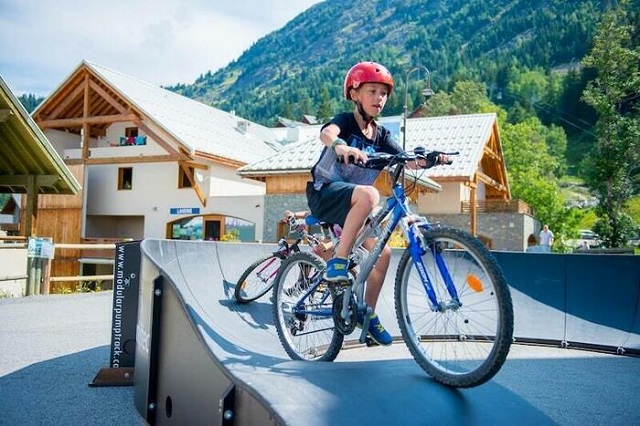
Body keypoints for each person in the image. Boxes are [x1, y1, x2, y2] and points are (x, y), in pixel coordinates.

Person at [305, 61, 449, 346]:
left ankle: (365, 313)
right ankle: (338, 262)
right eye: (372, 91)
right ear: (355, 94)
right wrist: (340, 146)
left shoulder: (382, 135)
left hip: (353, 206)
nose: (379, 98)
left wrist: (431, 158)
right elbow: (326, 133)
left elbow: (409, 159)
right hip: (325, 194)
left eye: (383, 94)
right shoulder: (345, 122)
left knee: (382, 256)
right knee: (371, 196)